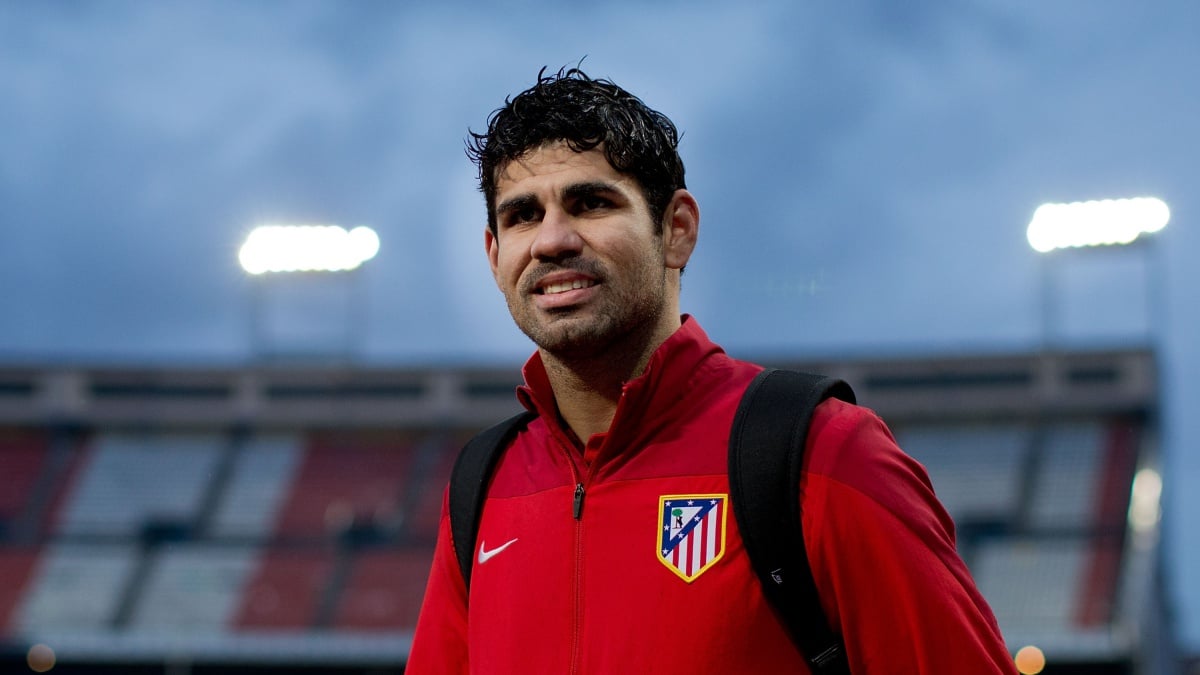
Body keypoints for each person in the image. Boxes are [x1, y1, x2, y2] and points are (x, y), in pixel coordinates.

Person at [407, 66, 1017, 674]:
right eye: (522, 216)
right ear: (494, 256)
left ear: (676, 230)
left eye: (591, 203)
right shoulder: (481, 488)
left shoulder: (822, 452)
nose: (552, 240)